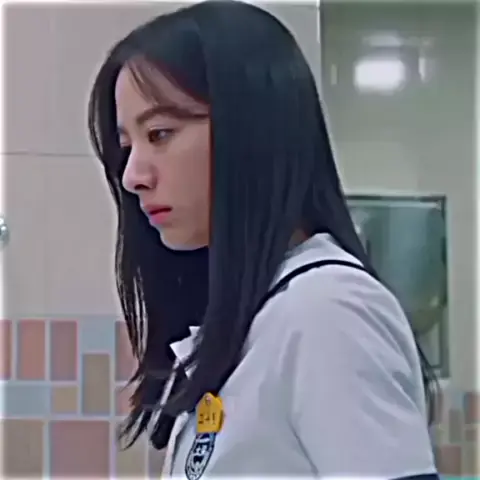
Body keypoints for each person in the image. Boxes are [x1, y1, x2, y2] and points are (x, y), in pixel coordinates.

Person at [88, 1, 439, 478]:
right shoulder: (260, 320)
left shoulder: (327, 311)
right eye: (127, 147)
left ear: (251, 129)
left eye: (160, 134)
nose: (132, 176)